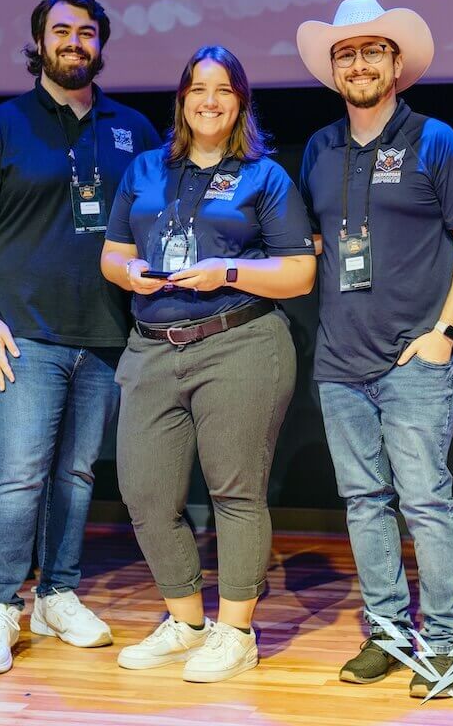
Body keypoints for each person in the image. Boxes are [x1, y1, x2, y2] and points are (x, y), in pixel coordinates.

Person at [0, 0, 160, 675]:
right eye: (61, 31)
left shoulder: (133, 128)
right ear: (38, 42)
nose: (74, 42)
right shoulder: (1, 126)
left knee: (73, 476)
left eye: (87, 31)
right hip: (22, 337)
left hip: (105, 334)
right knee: (17, 478)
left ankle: (57, 595)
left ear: (101, 43)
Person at [295, 0, 453, 698]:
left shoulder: (436, 140)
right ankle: (387, 632)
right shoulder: (318, 150)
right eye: (345, 54)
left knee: (425, 503)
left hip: (414, 363)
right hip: (340, 364)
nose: (358, 64)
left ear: (397, 63)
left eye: (371, 50)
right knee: (363, 503)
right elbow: (315, 247)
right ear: (332, 69)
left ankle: (444, 641)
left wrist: (444, 335)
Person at [99, 45, 315, 683]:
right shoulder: (143, 169)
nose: (209, 100)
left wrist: (227, 269)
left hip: (239, 342)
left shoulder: (265, 177)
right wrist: (129, 272)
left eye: (223, 89)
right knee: (144, 492)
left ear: (240, 101)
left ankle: (236, 632)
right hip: (151, 346)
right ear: (182, 99)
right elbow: (112, 254)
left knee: (235, 491)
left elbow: (300, 273)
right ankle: (186, 622)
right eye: (198, 88)